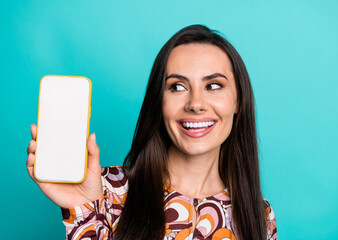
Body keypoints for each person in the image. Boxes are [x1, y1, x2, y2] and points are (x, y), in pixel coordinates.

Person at [27, 25, 277, 240]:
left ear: (239, 102)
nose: (196, 103)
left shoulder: (258, 214)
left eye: (213, 85)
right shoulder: (104, 190)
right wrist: (83, 210)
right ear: (159, 102)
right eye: (177, 87)